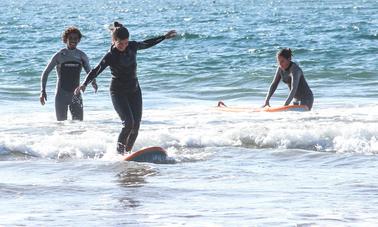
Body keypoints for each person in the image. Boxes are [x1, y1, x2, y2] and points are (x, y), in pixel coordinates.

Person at [75, 22, 177, 155]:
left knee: (136, 125)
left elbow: (147, 43)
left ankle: (128, 153)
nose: (124, 46)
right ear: (114, 41)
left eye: (126, 43)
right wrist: (84, 84)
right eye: (120, 43)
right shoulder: (110, 55)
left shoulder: (132, 46)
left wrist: (163, 37)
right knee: (128, 123)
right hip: (118, 92)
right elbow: (96, 69)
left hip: (134, 89)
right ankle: (119, 154)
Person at [40, 26, 97, 121]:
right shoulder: (59, 55)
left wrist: (94, 82)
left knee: (79, 125)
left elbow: (89, 72)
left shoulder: (81, 55)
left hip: (76, 96)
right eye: (70, 38)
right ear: (65, 39)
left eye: (75, 38)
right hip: (61, 96)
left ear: (79, 40)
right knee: (61, 126)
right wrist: (43, 91)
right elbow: (45, 73)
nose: (73, 41)